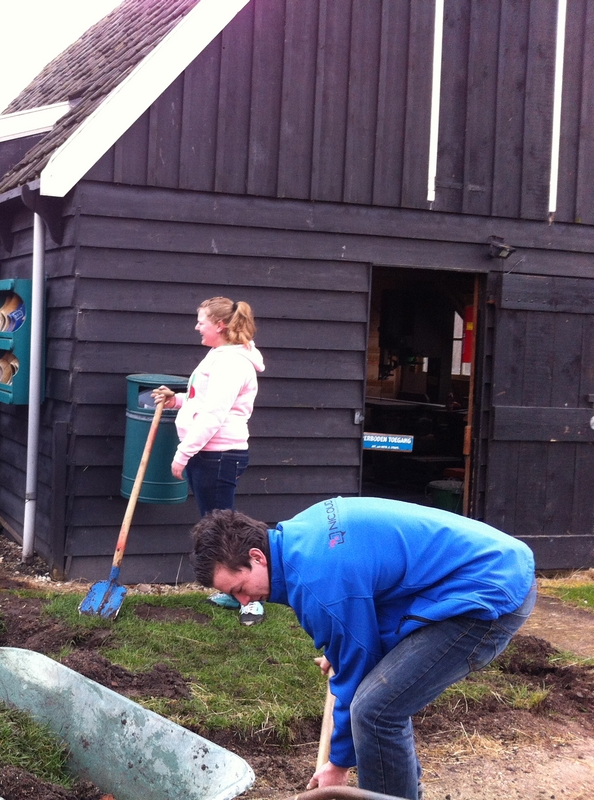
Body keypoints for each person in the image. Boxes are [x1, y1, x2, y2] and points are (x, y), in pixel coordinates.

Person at [191, 497, 536, 800]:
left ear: (256, 557)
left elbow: (357, 663)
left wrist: (338, 763)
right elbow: (369, 594)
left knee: (375, 710)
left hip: (489, 590)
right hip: (473, 571)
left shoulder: (320, 584)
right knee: (382, 700)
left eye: (239, 587)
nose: (242, 601)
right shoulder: (301, 536)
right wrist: (343, 640)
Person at [152, 296, 265, 624]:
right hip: (211, 454)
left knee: (226, 530)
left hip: (218, 455)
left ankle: (252, 599)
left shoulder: (232, 364)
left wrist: (183, 451)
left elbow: (214, 415)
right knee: (217, 525)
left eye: (201, 320)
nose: (197, 326)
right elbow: (204, 401)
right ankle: (236, 592)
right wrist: (177, 401)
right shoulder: (220, 356)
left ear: (220, 325)